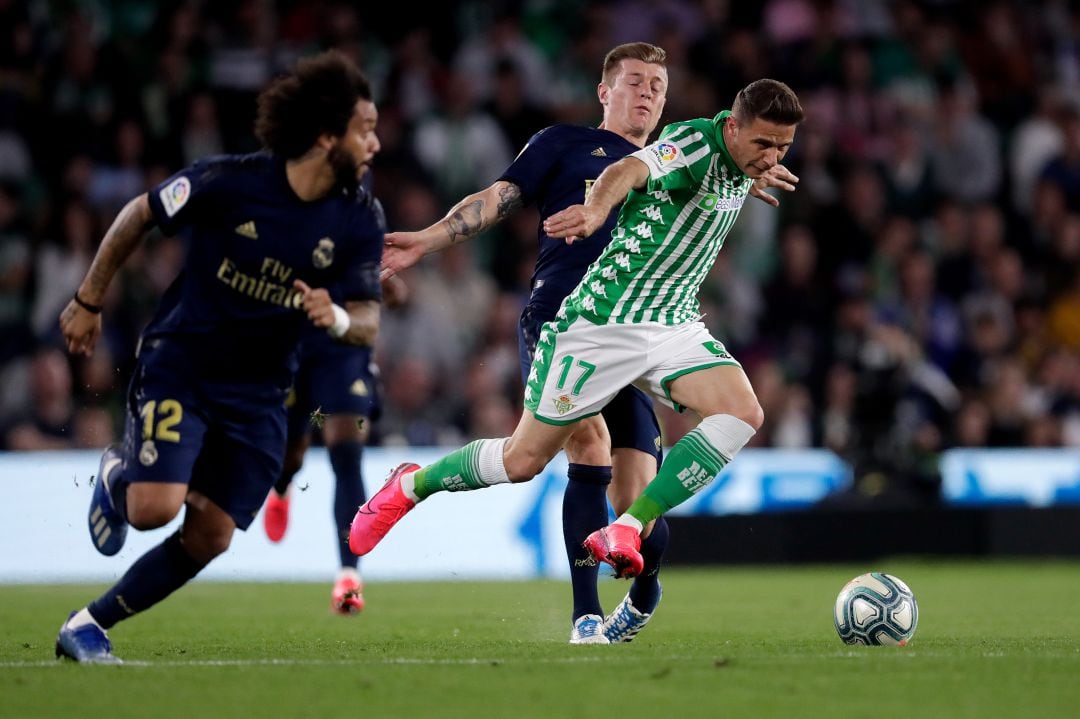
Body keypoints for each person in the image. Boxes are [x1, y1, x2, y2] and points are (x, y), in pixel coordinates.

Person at [352, 78, 803, 623]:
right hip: (600, 325)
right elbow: (627, 170)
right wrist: (593, 210)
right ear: (733, 127)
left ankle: (626, 530)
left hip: (671, 322)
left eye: (782, 147)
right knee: (522, 461)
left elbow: (720, 170)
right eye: (763, 144)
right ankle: (411, 483)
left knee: (743, 411)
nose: (773, 155)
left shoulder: (738, 161)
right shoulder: (690, 143)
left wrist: (752, 164)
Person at [54, 50, 386, 664]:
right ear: (325, 136)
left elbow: (368, 319)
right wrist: (89, 298)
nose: (376, 143)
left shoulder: (359, 216)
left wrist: (336, 316)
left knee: (211, 536)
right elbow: (139, 214)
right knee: (154, 510)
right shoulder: (231, 181)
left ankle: (86, 626)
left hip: (262, 395)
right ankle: (120, 474)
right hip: (184, 365)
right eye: (365, 129)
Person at [380, 42, 672, 644]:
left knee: (637, 505)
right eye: (635, 82)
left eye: (657, 87)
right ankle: (586, 618)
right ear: (604, 92)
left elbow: (727, 164)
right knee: (584, 440)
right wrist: (427, 242)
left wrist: (751, 167)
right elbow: (494, 200)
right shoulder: (563, 145)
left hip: (636, 335)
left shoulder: (674, 165)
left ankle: (644, 595)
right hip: (560, 322)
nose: (647, 93)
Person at [261, 272, 406, 615]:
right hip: (289, 341)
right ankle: (281, 487)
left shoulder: (359, 220)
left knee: (346, 454)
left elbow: (392, 292)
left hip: (344, 348)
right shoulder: (279, 223)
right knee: (289, 454)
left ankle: (349, 575)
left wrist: (385, 288)